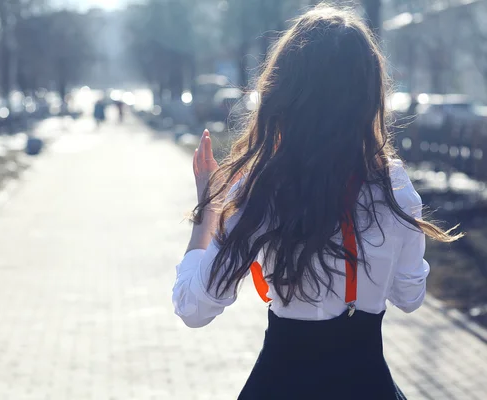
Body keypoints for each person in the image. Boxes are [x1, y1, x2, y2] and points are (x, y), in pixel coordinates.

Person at [171, 6, 461, 400]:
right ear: (368, 95)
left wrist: (207, 213)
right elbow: (410, 297)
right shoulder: (393, 186)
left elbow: (194, 308)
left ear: (284, 92)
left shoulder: (262, 188)